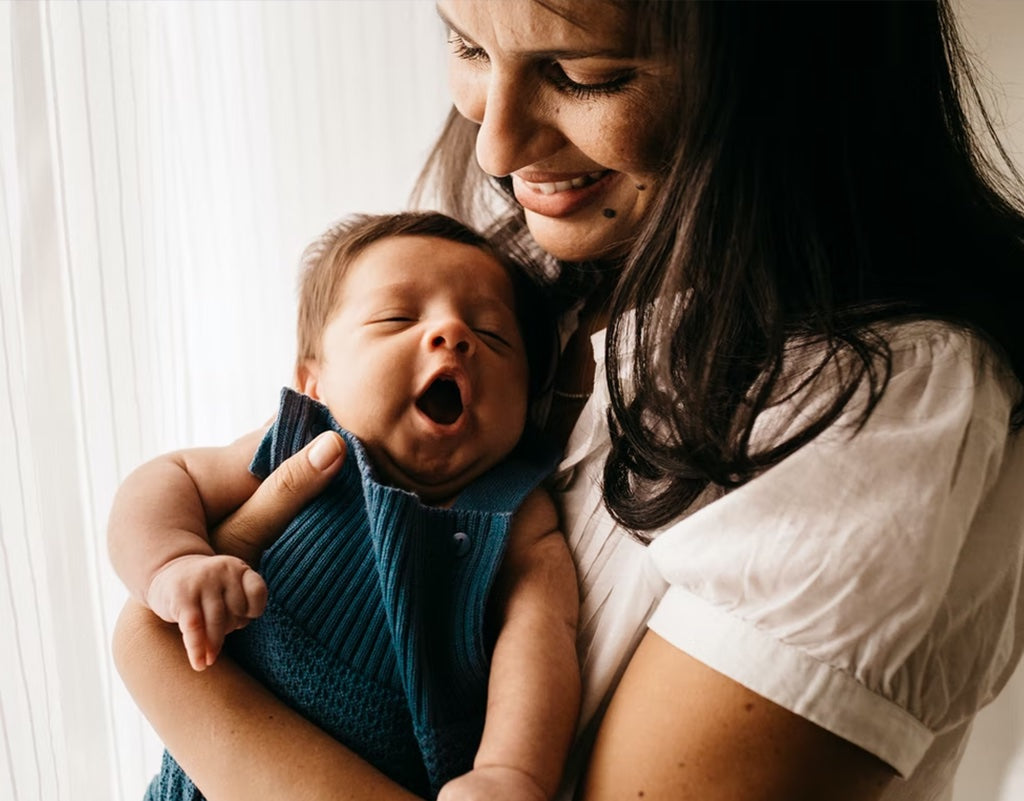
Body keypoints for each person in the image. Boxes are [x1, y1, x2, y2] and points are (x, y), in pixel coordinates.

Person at [111, 2, 1024, 800]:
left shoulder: (882, 414)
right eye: (468, 45)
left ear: (789, 73)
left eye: (586, 73)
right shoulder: (544, 275)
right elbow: (184, 484)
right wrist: (170, 565)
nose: (495, 147)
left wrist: (163, 666)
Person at [108, 212, 579, 801]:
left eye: (492, 335)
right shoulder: (298, 445)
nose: (453, 334)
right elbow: (164, 478)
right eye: (397, 318)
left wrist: (511, 772)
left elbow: (541, 637)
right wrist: (173, 563)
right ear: (314, 382)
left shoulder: (516, 513)